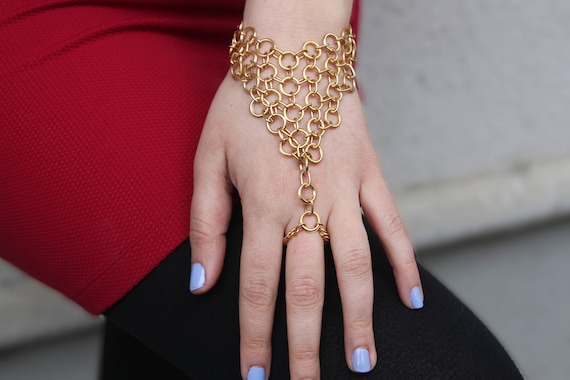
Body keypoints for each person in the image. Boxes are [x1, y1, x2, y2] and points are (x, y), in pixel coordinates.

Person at [0, 0, 523, 378]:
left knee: (182, 341)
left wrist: (297, 36)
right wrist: (291, 53)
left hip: (267, 24)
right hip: (43, 23)